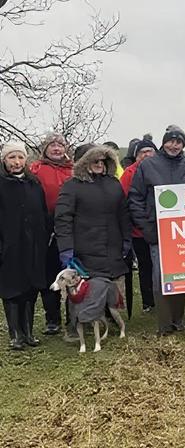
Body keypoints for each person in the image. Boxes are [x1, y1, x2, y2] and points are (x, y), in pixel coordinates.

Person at [129, 126, 185, 336]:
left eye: (179, 142)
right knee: (160, 279)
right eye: (171, 141)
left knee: (182, 277)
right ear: (163, 142)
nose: (174, 145)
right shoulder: (148, 165)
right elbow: (135, 197)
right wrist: (146, 227)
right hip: (158, 231)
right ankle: (164, 324)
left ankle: (178, 320)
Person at [54, 146, 131, 327]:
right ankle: (76, 325)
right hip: (85, 248)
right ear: (84, 163)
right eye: (95, 161)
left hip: (112, 246)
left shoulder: (113, 184)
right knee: (82, 288)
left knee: (111, 285)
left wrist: (127, 238)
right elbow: (63, 218)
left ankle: (111, 320)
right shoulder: (72, 186)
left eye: (102, 161)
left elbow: (123, 214)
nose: (99, 164)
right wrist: (66, 248)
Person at [0, 141, 48, 350]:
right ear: (4, 160)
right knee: (12, 288)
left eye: (20, 157)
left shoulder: (34, 183)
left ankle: (28, 331)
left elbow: (42, 212)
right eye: (12, 157)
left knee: (30, 287)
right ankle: (15, 334)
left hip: (33, 245)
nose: (17, 162)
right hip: (9, 245)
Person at [29, 132, 73, 335]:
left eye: (60, 145)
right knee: (49, 274)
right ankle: (52, 319)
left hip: (70, 228)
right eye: (52, 145)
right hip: (45, 228)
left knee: (72, 273)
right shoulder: (36, 170)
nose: (56, 149)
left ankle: (74, 317)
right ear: (45, 149)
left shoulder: (73, 170)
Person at [120, 138, 158, 314]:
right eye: (142, 152)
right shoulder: (129, 173)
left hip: (161, 227)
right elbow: (123, 200)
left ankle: (164, 298)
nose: (147, 155)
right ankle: (148, 302)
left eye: (150, 151)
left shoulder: (160, 169)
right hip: (138, 230)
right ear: (136, 156)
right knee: (145, 266)